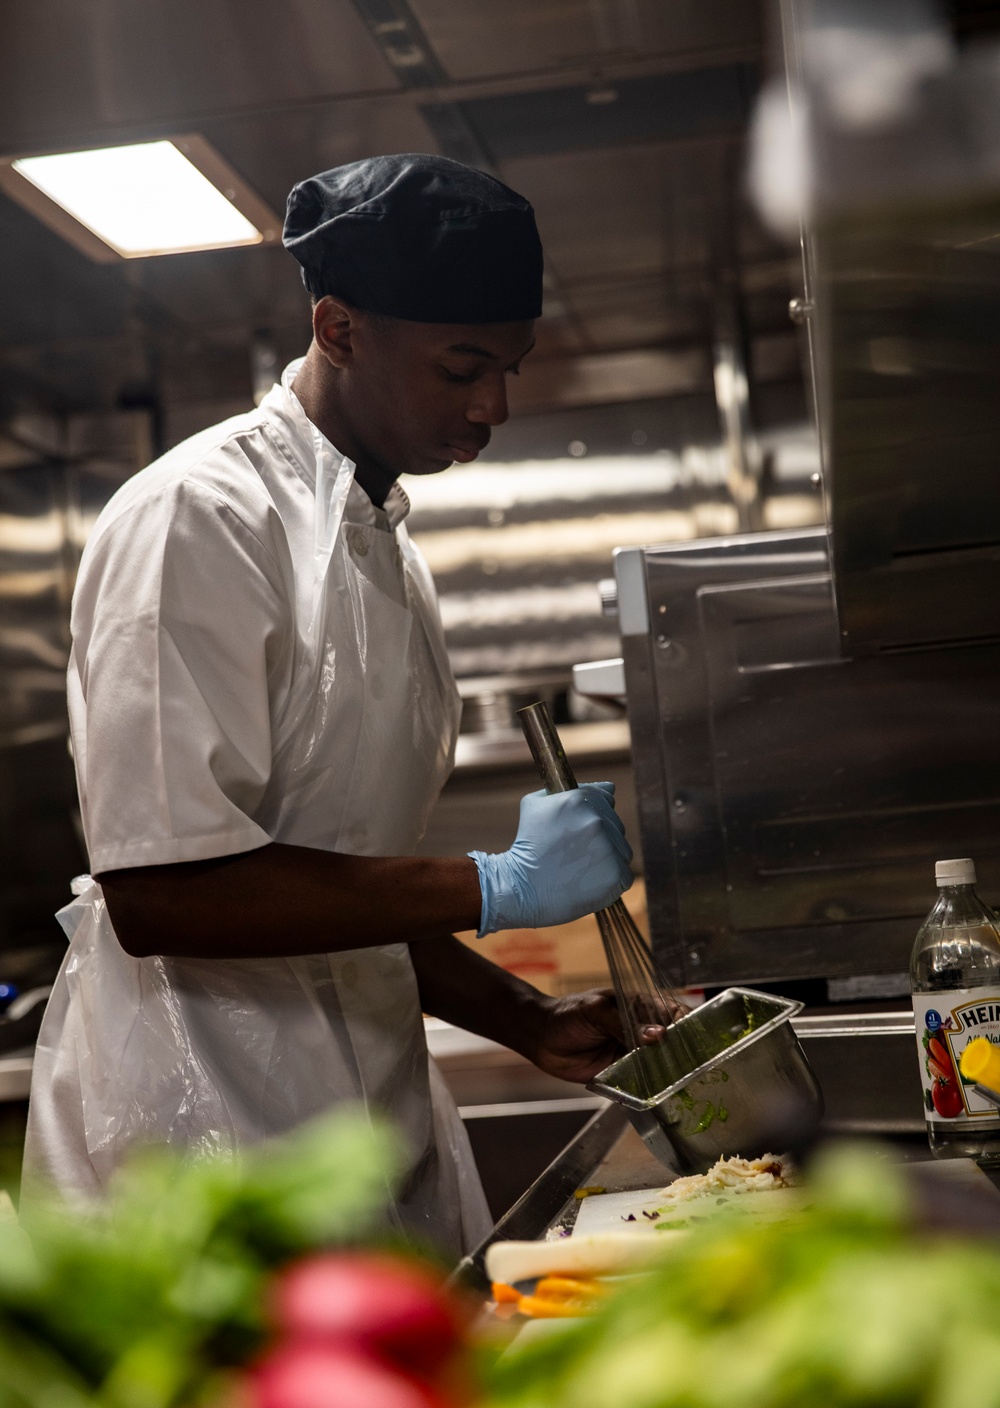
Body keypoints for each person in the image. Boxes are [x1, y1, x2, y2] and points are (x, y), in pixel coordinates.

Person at [23, 154, 634, 1257]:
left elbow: (338, 872)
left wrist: (525, 1019)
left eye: (508, 366)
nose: (491, 405)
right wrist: (494, 885)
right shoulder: (196, 520)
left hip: (368, 1126)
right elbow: (162, 891)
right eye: (461, 367)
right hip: (201, 1146)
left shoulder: (377, 546)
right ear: (339, 329)